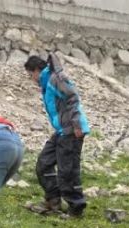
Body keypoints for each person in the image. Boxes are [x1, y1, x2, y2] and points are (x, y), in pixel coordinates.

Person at [24, 53, 91, 217]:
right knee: (43, 163)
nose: (31, 79)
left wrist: (76, 125)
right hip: (62, 130)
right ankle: (53, 201)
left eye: (30, 74)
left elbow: (72, 98)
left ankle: (76, 208)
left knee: (67, 170)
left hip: (72, 130)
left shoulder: (56, 79)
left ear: (37, 71)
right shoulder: (47, 82)